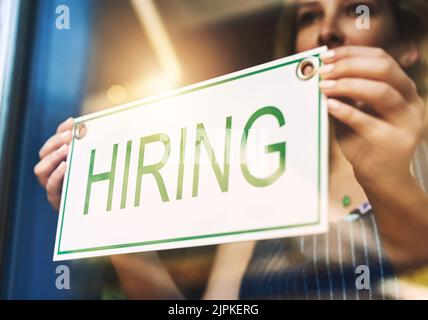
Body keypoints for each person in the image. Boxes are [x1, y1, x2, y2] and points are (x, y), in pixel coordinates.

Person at [35, 0, 428, 299]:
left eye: (360, 12)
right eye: (309, 16)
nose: (327, 30)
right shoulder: (262, 178)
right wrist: (113, 233)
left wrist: (392, 185)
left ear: (408, 46)